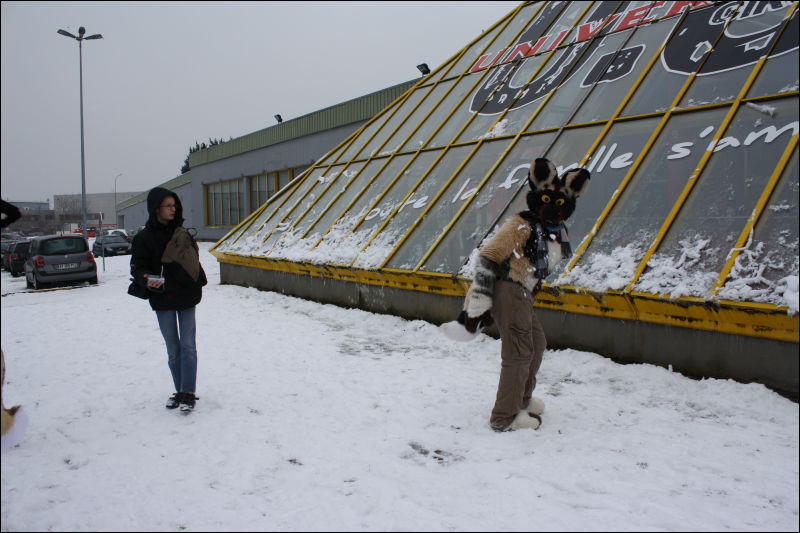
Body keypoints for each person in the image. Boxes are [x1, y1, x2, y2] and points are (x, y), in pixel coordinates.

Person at [458, 158, 590, 432]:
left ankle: (522, 400)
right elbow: (488, 256)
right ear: (535, 197)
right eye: (546, 199)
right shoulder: (522, 224)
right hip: (509, 289)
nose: (553, 208)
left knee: (537, 344)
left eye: (561, 204)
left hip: (523, 295)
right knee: (519, 352)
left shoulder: (552, 232)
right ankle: (504, 417)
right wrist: (480, 300)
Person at [130, 187, 207, 412]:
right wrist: (146, 278)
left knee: (188, 345)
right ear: (156, 209)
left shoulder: (182, 233)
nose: (173, 209)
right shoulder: (144, 238)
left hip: (187, 295)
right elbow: (138, 265)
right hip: (162, 297)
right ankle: (180, 390)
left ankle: (188, 392)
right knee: (173, 348)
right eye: (168, 206)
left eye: (174, 205)